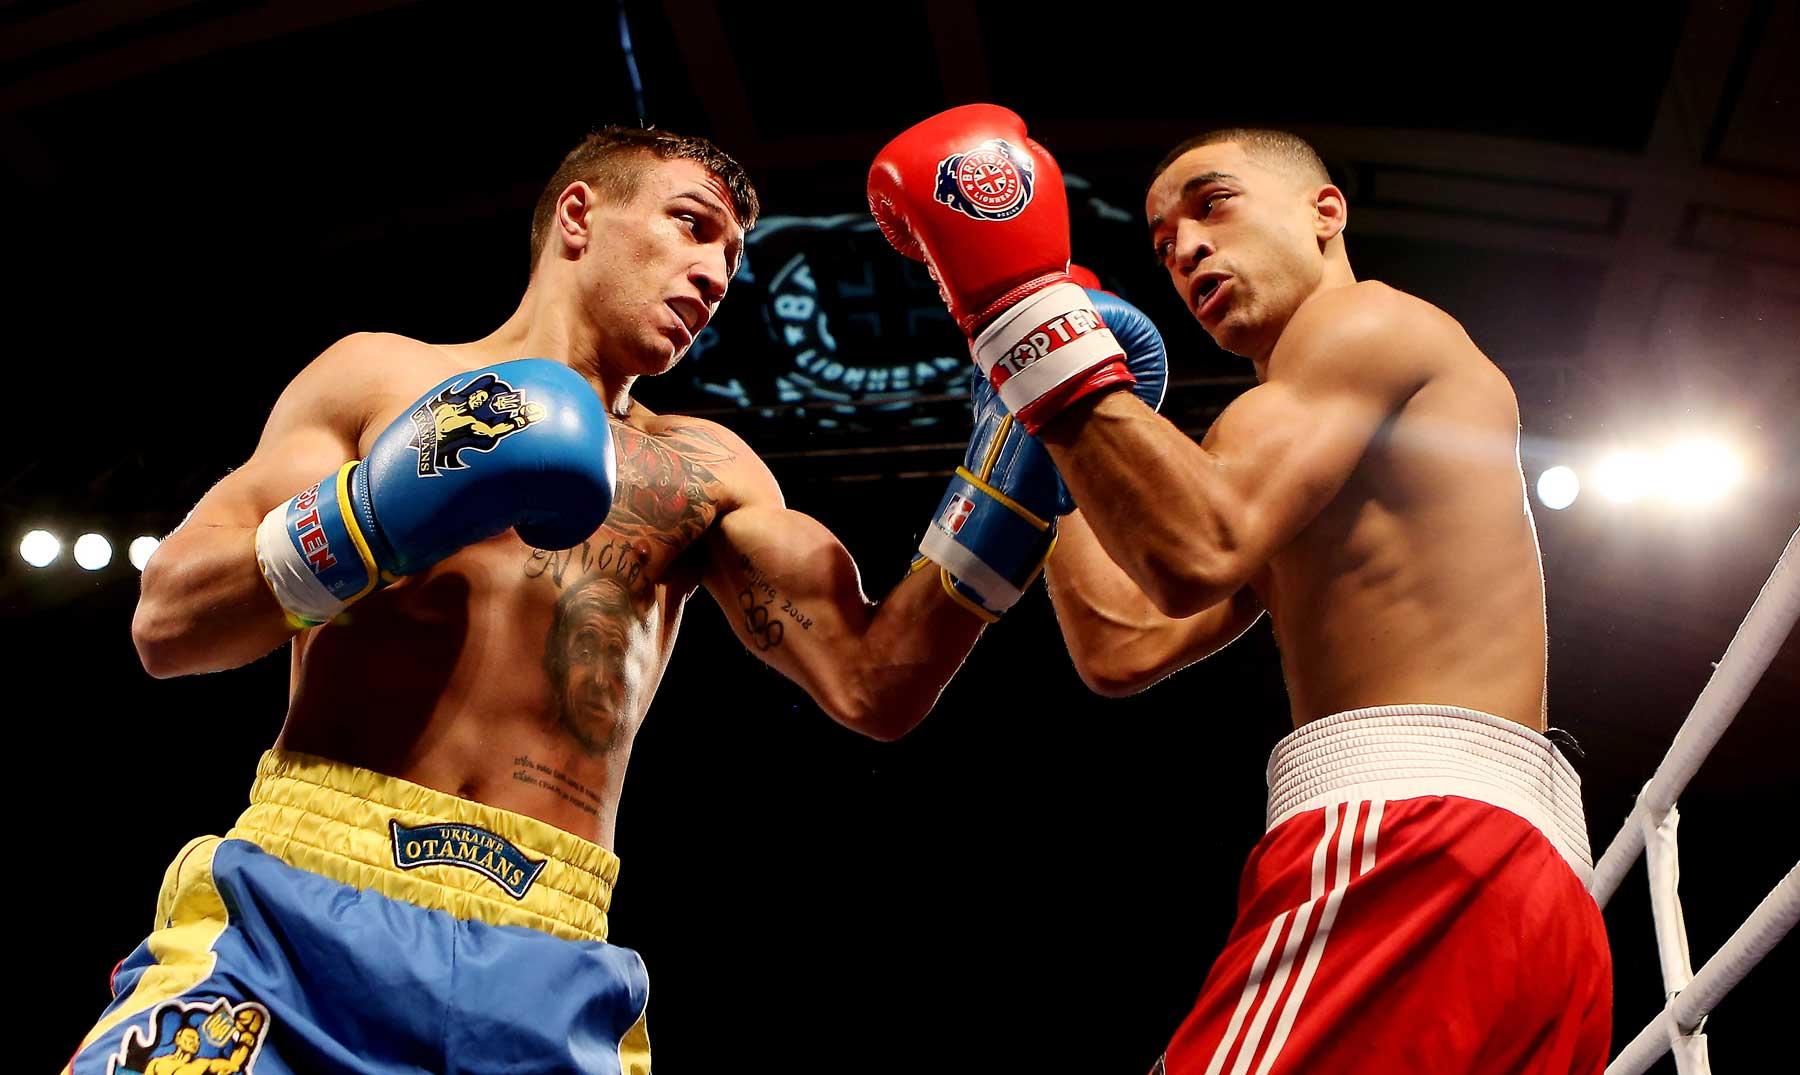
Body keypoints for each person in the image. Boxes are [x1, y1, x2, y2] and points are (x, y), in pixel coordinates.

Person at [68, 125, 1057, 1075]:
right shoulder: (381, 378)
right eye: (691, 224)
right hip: (299, 911)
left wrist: (1014, 480)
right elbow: (168, 624)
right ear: (579, 215)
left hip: (544, 953)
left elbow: (874, 683)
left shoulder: (706, 472)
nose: (717, 274)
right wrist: (371, 515)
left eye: (733, 253)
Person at [869, 105, 1611, 1074]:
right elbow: (1122, 643)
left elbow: (1199, 545)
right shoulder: (1289, 442)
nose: (1188, 250)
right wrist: (1045, 429)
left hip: (1411, 843)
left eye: (1212, 207)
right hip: (1519, 883)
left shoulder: (1367, 324)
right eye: (1166, 243)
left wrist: (1021, 314)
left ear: (1325, 212)